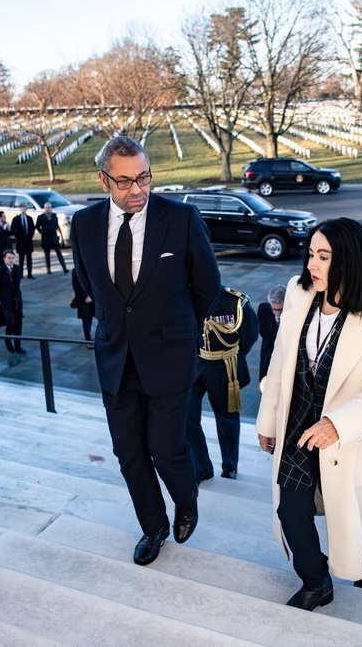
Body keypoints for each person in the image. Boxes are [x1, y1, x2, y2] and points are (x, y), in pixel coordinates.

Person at [70, 135, 220, 567]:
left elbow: (207, 287)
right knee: (129, 453)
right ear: (103, 181)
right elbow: (86, 284)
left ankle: (186, 500)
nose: (137, 190)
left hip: (170, 357)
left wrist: (177, 330)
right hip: (116, 359)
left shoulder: (183, 218)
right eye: (125, 181)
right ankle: (152, 527)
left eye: (144, 177)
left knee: (166, 449)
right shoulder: (83, 224)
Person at [256, 218, 362, 610]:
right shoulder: (298, 292)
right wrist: (268, 419)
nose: (312, 265)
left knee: (359, 525)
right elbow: (280, 360)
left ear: (349, 259)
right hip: (296, 429)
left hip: (350, 438)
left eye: (323, 256)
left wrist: (337, 424)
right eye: (311, 254)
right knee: (290, 512)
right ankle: (316, 581)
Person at [185, 286, 259, 483]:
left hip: (224, 367)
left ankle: (230, 466)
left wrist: (232, 356)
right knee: (186, 416)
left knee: (227, 420)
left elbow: (250, 335)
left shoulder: (234, 302)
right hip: (196, 365)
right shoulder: (185, 295)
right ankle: (202, 467)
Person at [0, 249, 25, 354]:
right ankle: (8, 341)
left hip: (17, 301)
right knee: (11, 323)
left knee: (19, 325)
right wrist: (1, 297)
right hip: (6, 302)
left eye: (12, 258)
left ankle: (18, 345)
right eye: (9, 258)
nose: (11, 260)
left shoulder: (17, 269)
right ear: (4, 259)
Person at [257, 284, 286, 393]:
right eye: (274, 309)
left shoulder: (295, 315)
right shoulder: (263, 310)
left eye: (280, 309)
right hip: (268, 356)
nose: (277, 313)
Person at [36, 202, 68, 274]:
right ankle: (48, 269)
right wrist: (42, 232)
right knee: (47, 255)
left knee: (59, 253)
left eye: (49, 207)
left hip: (53, 237)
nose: (47, 209)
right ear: (44, 208)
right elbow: (37, 226)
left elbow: (56, 225)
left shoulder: (54, 216)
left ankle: (64, 268)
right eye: (46, 208)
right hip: (46, 237)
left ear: (51, 208)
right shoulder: (40, 217)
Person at [70, 268, 95, 349]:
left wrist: (91, 296)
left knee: (90, 317)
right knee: (86, 318)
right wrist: (85, 297)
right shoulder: (75, 270)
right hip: (82, 299)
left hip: (92, 297)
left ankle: (89, 336)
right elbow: (76, 287)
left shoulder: (91, 267)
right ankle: (88, 339)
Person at [11, 203, 35, 279]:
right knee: (21, 259)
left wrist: (30, 236)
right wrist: (17, 236)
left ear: (26, 209)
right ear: (19, 210)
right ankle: (20, 274)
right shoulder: (16, 219)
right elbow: (13, 229)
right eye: (22, 209)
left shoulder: (29, 218)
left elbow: (32, 228)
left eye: (24, 209)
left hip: (28, 241)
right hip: (20, 242)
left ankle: (29, 274)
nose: (23, 210)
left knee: (29, 259)